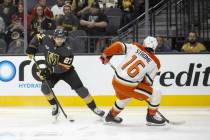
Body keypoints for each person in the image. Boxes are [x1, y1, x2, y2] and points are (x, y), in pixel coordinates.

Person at [26, 28, 105, 121]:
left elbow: (64, 67)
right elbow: (37, 36)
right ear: (53, 37)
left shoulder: (68, 49)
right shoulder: (47, 39)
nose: (60, 40)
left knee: (81, 89)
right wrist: (32, 47)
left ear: (65, 38)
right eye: (58, 38)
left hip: (67, 72)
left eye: (62, 38)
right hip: (52, 72)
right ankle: (54, 106)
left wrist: (48, 71)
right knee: (44, 88)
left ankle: (94, 108)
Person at [100, 36, 166, 126]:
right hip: (129, 86)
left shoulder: (135, 46)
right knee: (156, 92)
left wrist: (106, 54)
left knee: (126, 97)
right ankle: (151, 116)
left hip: (115, 81)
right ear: (155, 47)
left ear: (144, 43)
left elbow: (118, 45)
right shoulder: (155, 62)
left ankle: (110, 116)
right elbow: (147, 83)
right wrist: (143, 94)